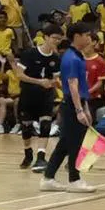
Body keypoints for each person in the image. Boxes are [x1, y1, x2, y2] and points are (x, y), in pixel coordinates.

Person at [39, 23, 97, 193]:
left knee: (64, 143)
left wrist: (85, 107)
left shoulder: (78, 56)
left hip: (78, 103)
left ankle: (48, 178)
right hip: (71, 105)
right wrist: (79, 110)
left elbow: (82, 87)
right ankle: (74, 179)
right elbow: (73, 85)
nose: (88, 38)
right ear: (77, 36)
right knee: (75, 144)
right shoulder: (71, 58)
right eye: (86, 34)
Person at [12, 25, 62, 170]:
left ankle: (41, 157)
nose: (57, 41)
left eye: (59, 39)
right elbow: (20, 75)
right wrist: (39, 81)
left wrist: (56, 84)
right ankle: (28, 153)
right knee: (26, 127)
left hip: (45, 96)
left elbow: (55, 79)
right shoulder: (30, 54)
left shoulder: (55, 58)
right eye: (54, 38)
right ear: (45, 37)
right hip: (28, 94)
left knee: (45, 124)